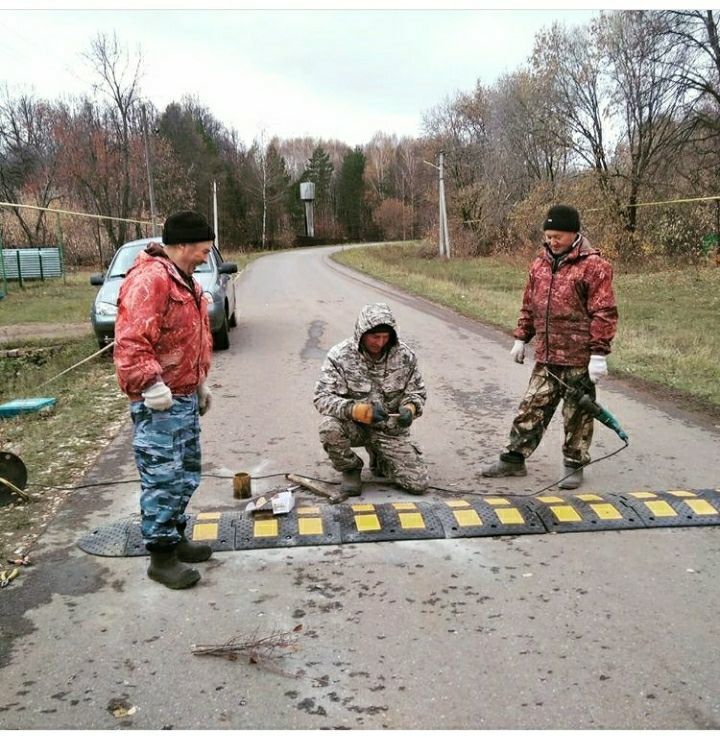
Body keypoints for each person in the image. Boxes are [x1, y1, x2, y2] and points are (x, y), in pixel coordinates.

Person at [482, 204, 618, 489]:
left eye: (557, 236)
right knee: (531, 406)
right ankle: (513, 459)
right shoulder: (539, 265)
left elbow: (604, 312)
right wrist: (521, 338)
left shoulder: (595, 267)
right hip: (546, 356)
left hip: (578, 358)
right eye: (548, 236)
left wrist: (598, 354)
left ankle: (574, 465)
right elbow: (529, 305)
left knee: (577, 415)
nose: (552, 241)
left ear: (573, 233)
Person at [114, 210, 215, 589]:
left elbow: (192, 338)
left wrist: (199, 382)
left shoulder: (184, 279)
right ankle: (160, 556)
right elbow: (130, 340)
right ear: (184, 245)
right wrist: (150, 384)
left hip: (183, 398)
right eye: (203, 250)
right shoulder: (150, 280)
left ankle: (175, 536)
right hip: (159, 403)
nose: (207, 256)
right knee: (162, 478)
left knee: (185, 475)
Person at [313, 303, 429, 496]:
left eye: (386, 337)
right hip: (356, 426)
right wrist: (357, 411)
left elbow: (416, 392)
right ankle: (350, 468)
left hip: (389, 430)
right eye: (375, 337)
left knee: (418, 484)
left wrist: (410, 408)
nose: (380, 343)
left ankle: (380, 458)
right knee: (329, 429)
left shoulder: (405, 356)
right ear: (362, 333)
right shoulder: (339, 356)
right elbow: (322, 398)